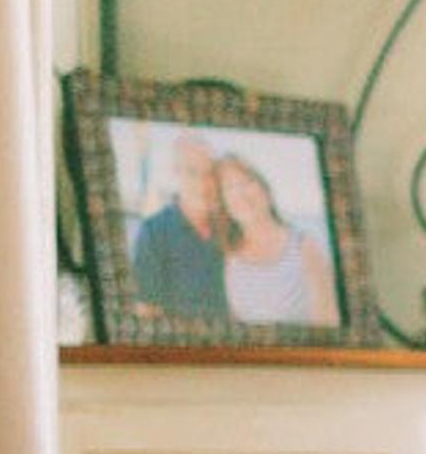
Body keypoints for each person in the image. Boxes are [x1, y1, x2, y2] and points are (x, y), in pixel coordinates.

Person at [211, 152, 328, 326]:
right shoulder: (230, 258)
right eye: (229, 188)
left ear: (265, 190)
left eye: (246, 182)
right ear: (225, 205)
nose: (240, 193)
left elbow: (327, 321)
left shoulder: (304, 247)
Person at [126, 133, 229, 322]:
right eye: (192, 172)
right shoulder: (154, 232)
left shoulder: (231, 227)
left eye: (209, 173)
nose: (202, 182)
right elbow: (145, 310)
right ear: (175, 172)